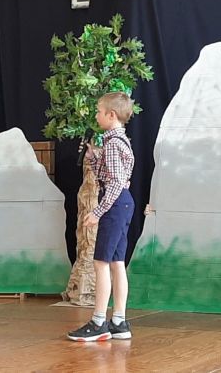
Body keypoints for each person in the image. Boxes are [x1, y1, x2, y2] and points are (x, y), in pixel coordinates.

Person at [68, 92, 136, 342]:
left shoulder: (114, 143)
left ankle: (99, 321)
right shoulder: (117, 142)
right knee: (117, 262)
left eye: (99, 112)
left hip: (115, 204)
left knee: (101, 262)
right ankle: (119, 320)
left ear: (111, 115)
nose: (96, 116)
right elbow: (112, 176)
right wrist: (94, 158)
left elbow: (115, 182)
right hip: (122, 203)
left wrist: (98, 212)